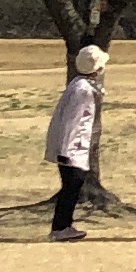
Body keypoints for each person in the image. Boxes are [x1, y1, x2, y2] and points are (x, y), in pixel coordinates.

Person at [42, 47, 105, 241]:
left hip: (72, 148)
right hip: (72, 150)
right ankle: (60, 227)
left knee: (72, 187)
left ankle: (64, 225)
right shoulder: (82, 90)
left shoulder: (79, 84)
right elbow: (72, 120)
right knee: (71, 187)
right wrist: (66, 151)